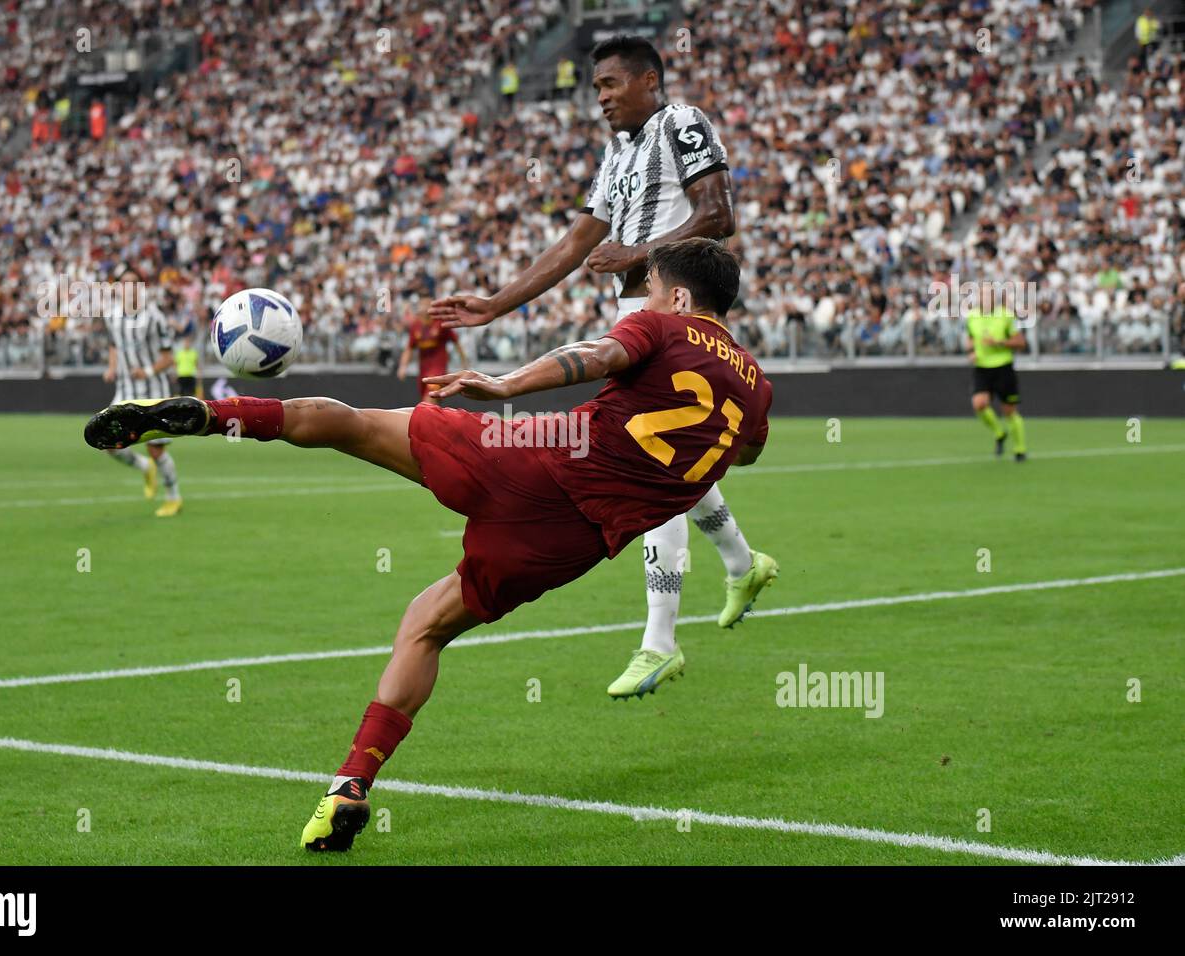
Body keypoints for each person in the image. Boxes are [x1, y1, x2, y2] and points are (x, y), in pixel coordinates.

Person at [83, 238, 773, 853]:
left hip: (530, 457)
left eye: (648, 285)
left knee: (350, 425)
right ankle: (347, 786)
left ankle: (210, 414)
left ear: (679, 295)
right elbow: (744, 456)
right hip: (571, 544)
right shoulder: (756, 388)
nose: (643, 296)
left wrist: (506, 384)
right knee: (426, 626)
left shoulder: (660, 323)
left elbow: (595, 356)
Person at [430, 35, 776, 700]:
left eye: (612, 84)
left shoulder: (682, 122)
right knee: (666, 457)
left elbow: (717, 215)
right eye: (595, 88)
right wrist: (495, 304)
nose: (602, 98)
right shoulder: (615, 152)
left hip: (679, 311)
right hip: (638, 312)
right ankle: (742, 563)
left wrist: (640, 252)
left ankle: (659, 642)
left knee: (647, 466)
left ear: (651, 80)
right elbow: (578, 240)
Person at [99, 264, 184, 516]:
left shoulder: (154, 317)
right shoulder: (111, 316)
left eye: (133, 283)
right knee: (108, 443)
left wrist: (146, 371)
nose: (128, 288)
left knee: (155, 448)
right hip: (125, 389)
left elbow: (169, 358)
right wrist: (111, 368)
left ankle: (173, 497)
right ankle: (145, 467)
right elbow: (114, 345)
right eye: (123, 283)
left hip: (152, 390)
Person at [965, 285, 1028, 461]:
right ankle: (999, 433)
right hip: (982, 367)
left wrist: (999, 342)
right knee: (979, 404)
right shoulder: (972, 316)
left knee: (1009, 411)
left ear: (995, 298)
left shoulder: (1006, 315)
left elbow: (1021, 343)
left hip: (1003, 367)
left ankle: (1020, 449)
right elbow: (970, 338)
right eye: (982, 295)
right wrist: (971, 351)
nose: (985, 298)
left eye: (988, 295)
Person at [396, 311, 467, 405]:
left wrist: (464, 362)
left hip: (437, 370)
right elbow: (409, 348)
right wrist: (403, 366)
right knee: (433, 405)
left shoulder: (441, 323)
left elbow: (455, 341)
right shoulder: (416, 325)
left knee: (427, 402)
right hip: (423, 371)